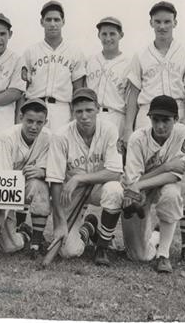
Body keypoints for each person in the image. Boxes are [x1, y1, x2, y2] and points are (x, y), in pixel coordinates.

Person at [122, 1, 185, 261]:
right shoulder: (142, 54)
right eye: (158, 22)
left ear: (175, 22)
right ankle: (146, 235)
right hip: (148, 115)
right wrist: (128, 127)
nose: (163, 26)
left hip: (176, 115)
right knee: (143, 180)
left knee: (182, 181)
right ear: (151, 23)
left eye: (167, 21)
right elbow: (133, 93)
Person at [46, 88, 124, 265]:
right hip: (70, 191)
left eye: (89, 110)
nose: (84, 116)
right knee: (68, 252)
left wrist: (80, 178)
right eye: (79, 111)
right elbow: (55, 180)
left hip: (96, 186)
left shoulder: (109, 129)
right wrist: (59, 222)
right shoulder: (61, 135)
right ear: (73, 112)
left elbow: (115, 172)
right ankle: (88, 229)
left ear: (97, 108)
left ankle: (102, 247)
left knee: (115, 190)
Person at [121, 95, 185, 273]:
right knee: (138, 256)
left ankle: (163, 254)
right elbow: (133, 183)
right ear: (149, 118)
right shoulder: (137, 138)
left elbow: (174, 176)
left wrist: (143, 183)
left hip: (158, 186)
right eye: (155, 119)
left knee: (172, 194)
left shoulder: (181, 133)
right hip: (138, 192)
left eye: (166, 120)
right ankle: (157, 234)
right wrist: (165, 167)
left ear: (176, 119)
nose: (160, 126)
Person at [0, 98, 52, 259]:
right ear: (20, 117)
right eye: (29, 121)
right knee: (10, 247)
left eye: (39, 122)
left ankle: (36, 244)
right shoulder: (7, 137)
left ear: (46, 122)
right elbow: (1, 179)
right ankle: (24, 233)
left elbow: (49, 169)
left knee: (40, 185)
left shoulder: (48, 137)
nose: (34, 126)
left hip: (26, 187)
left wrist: (44, 171)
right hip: (2, 192)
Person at [21, 1, 86, 132]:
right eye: (48, 19)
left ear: (63, 22)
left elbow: (78, 90)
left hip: (61, 108)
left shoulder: (75, 52)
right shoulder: (30, 52)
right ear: (42, 22)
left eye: (56, 19)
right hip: (34, 106)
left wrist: (74, 116)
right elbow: (23, 89)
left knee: (59, 148)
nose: (52, 24)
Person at [85, 17, 131, 144]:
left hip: (116, 116)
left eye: (112, 34)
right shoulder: (90, 60)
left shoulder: (128, 63)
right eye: (104, 34)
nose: (108, 38)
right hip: (91, 116)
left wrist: (128, 128)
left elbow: (131, 100)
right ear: (98, 35)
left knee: (114, 160)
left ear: (121, 35)